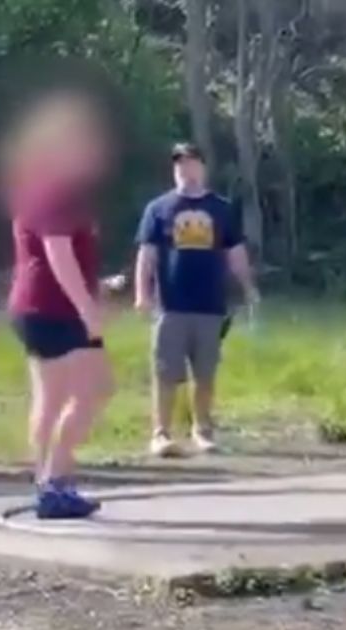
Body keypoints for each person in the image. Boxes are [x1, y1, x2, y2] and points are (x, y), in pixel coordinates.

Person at [5, 92, 115, 519]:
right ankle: (53, 480)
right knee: (92, 390)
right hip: (52, 308)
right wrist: (87, 307)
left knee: (53, 400)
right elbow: (56, 252)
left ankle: (50, 480)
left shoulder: (50, 189)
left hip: (44, 305)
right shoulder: (54, 190)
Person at [133, 142, 258, 457]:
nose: (185, 170)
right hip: (171, 305)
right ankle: (160, 434)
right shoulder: (158, 209)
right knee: (166, 373)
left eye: (190, 164)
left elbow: (236, 252)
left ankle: (202, 430)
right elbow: (146, 256)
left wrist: (247, 287)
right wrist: (141, 294)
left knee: (205, 373)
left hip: (210, 304)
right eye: (179, 165)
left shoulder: (221, 208)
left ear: (202, 167)